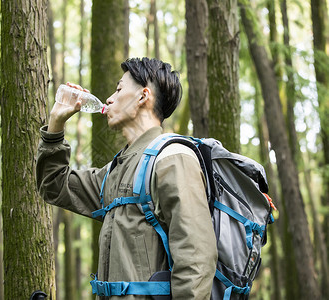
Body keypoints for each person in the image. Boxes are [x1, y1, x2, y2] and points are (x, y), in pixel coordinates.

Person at [36, 57, 217, 299]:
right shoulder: (115, 170)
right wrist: (56, 124)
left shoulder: (173, 159)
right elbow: (54, 185)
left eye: (119, 89)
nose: (109, 98)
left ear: (143, 96)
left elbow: (196, 260)